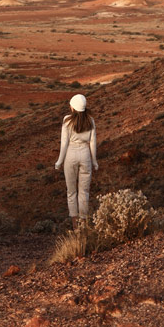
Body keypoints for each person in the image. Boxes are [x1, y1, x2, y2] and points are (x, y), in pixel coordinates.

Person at [55, 93, 98, 230]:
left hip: (71, 156)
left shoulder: (67, 120)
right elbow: (93, 143)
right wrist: (94, 161)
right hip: (85, 155)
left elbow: (64, 143)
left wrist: (59, 161)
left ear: (73, 107)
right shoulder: (90, 121)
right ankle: (84, 225)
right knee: (84, 192)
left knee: (71, 192)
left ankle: (75, 227)